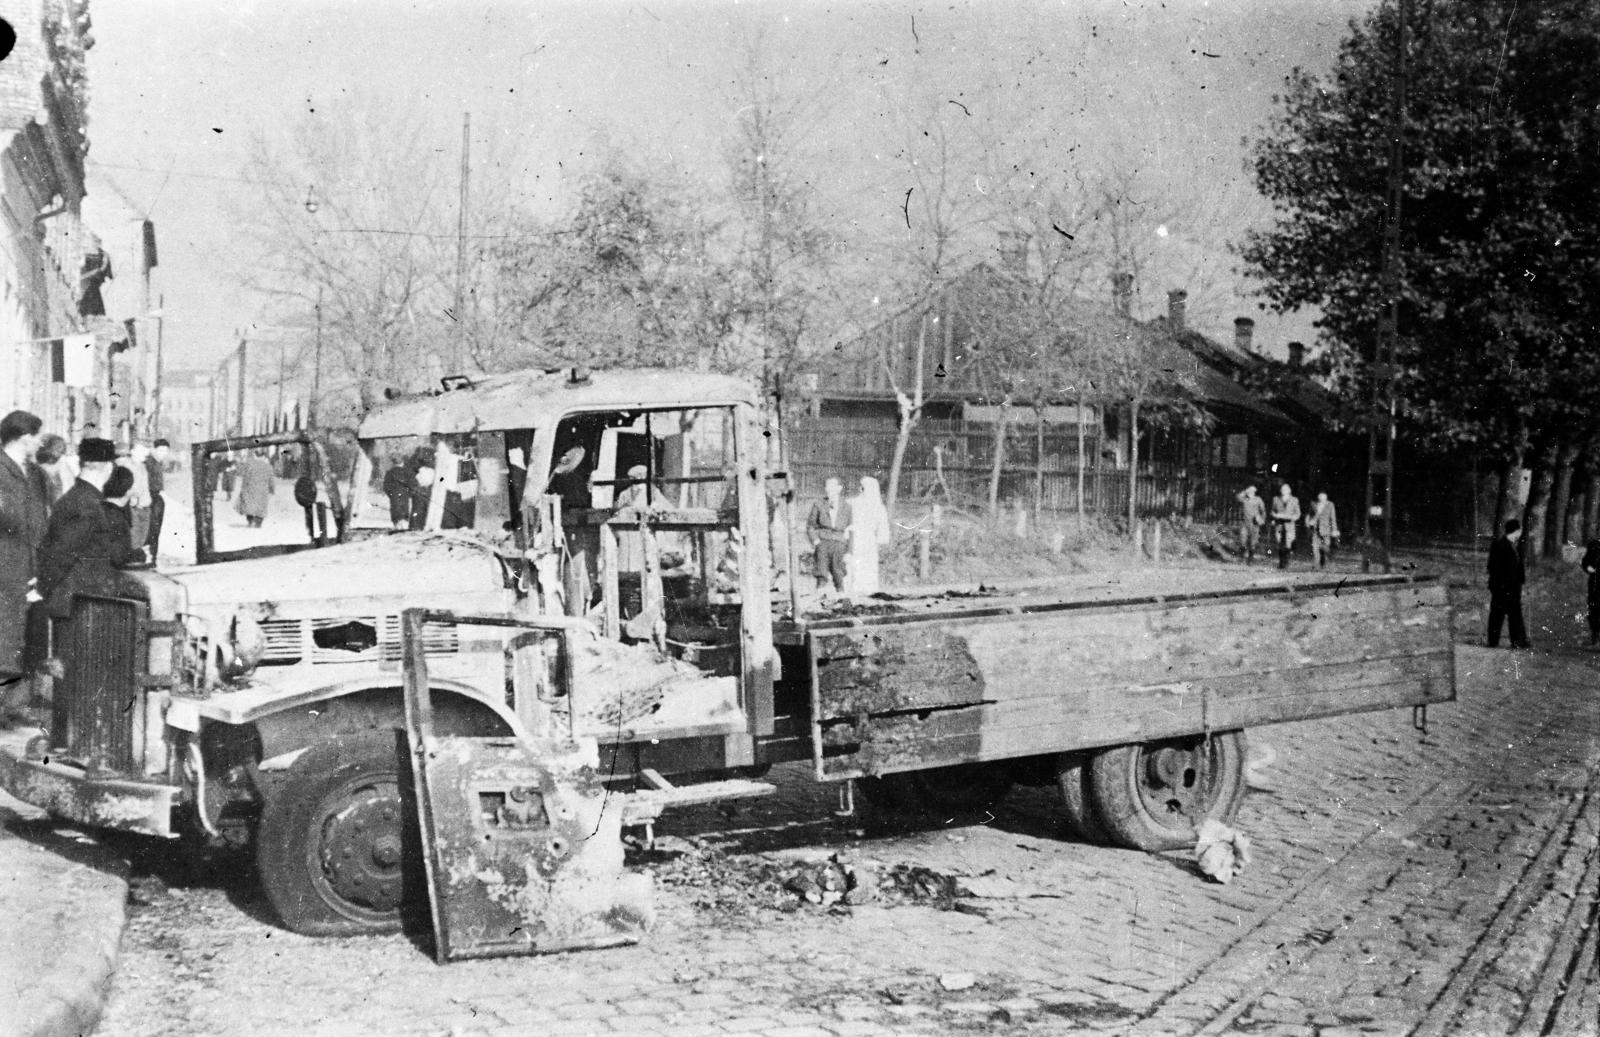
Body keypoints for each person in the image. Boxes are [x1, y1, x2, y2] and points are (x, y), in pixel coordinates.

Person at [37, 437, 134, 614]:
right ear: (107, 467)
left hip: (80, 600)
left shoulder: (78, 497)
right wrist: (41, 589)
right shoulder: (87, 504)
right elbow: (62, 553)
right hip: (80, 605)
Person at [0, 411, 47, 717]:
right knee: (5, 633)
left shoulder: (33, 472)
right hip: (5, 563)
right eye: (36, 435)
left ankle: (12, 704)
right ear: (22, 437)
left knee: (22, 633)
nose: (40, 441)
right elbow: (10, 516)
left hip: (28, 562)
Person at [1486, 519, 1530, 649]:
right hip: (1502, 587)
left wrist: (1521, 582)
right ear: (1516, 531)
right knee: (1497, 614)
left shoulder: (1513, 545)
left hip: (1513, 587)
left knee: (1515, 614)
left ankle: (1518, 641)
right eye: (1519, 530)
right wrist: (1500, 585)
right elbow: (1494, 568)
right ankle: (1493, 641)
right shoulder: (1501, 545)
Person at [806, 476, 853, 593]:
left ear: (839, 488)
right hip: (823, 542)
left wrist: (849, 551)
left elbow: (851, 529)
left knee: (839, 573)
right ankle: (818, 600)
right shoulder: (818, 504)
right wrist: (816, 541)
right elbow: (810, 525)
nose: (828, 489)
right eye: (827, 486)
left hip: (839, 543)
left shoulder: (847, 507)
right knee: (821, 573)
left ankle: (841, 599)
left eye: (832, 486)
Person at [847, 475, 892, 594]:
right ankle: (853, 592)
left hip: (869, 540)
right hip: (854, 539)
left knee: (868, 566)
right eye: (862, 487)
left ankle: (869, 592)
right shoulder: (852, 503)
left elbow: (883, 526)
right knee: (853, 565)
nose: (862, 490)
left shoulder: (878, 507)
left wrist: (880, 539)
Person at [120, 443, 153, 552]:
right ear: (133, 451)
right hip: (133, 507)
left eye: (145, 451)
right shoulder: (126, 466)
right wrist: (132, 498)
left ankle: (136, 558)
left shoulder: (143, 466)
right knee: (133, 536)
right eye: (141, 451)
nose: (145, 453)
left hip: (144, 506)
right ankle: (132, 560)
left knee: (142, 536)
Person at [145, 439, 170, 565]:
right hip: (150, 497)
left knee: (155, 528)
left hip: (156, 497)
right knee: (152, 528)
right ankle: (150, 555)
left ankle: (153, 555)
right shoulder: (149, 462)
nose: (163, 453)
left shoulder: (157, 462)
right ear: (154, 449)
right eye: (160, 450)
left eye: (165, 450)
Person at [235, 449, 275, 528]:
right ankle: (258, 523)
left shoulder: (249, 465)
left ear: (255, 455)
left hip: (250, 489)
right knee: (261, 506)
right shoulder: (268, 466)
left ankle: (250, 521)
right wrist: (272, 490)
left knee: (249, 504)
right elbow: (271, 480)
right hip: (262, 490)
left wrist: (243, 488)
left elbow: (245, 477)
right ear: (263, 456)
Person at [1270, 483, 1302, 569]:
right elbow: (1272, 511)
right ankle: (1281, 562)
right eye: (1282, 489)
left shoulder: (1294, 500)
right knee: (1279, 542)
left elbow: (1298, 513)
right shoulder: (1276, 499)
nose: (1284, 491)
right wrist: (1275, 516)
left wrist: (1293, 517)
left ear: (1289, 491)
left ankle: (1286, 561)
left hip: (1289, 525)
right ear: (1280, 490)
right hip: (1279, 524)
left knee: (1288, 544)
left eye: (1286, 489)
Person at [1307, 492, 1340, 569]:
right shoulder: (1313, 504)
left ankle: (1323, 561)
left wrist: (1334, 529)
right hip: (1315, 529)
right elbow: (1309, 515)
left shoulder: (1330, 505)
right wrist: (1310, 522)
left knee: (1325, 548)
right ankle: (1316, 565)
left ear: (1326, 498)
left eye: (1323, 499)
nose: (1322, 500)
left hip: (1326, 530)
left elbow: (1333, 518)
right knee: (1315, 548)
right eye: (1320, 499)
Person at [33, 433, 68, 506]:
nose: (59, 454)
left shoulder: (57, 470)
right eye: (57, 448)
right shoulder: (37, 469)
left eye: (61, 452)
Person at [382, 457, 415, 530]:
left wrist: (390, 494)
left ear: (393, 463)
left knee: (395, 509)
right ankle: (404, 525)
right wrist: (409, 494)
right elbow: (412, 485)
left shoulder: (389, 472)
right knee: (404, 509)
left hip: (394, 494)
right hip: (404, 494)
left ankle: (397, 525)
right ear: (402, 462)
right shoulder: (408, 472)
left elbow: (386, 486)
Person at [1236, 484, 1266, 563]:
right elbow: (1238, 497)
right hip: (1244, 522)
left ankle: (1250, 558)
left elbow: (1263, 510)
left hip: (1254, 523)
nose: (1250, 493)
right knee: (1243, 539)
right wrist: (1245, 491)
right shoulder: (1244, 499)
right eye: (1249, 491)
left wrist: (1262, 519)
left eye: (1252, 491)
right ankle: (1241, 558)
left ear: (1254, 492)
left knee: (1253, 541)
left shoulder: (1258, 499)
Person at [1582, 537, 1600, 647]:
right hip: (1596, 582)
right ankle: (1595, 633)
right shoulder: (1594, 545)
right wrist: (1589, 568)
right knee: (1594, 608)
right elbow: (1586, 561)